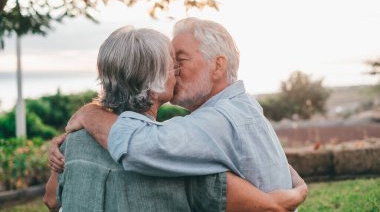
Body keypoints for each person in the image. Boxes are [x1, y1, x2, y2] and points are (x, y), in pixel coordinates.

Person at [47, 25, 307, 211]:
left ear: (218, 65)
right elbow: (269, 206)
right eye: (172, 63)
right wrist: (296, 189)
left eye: (180, 61)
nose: (177, 72)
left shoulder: (75, 143)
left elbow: (52, 200)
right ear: (154, 79)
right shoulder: (180, 160)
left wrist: (89, 113)